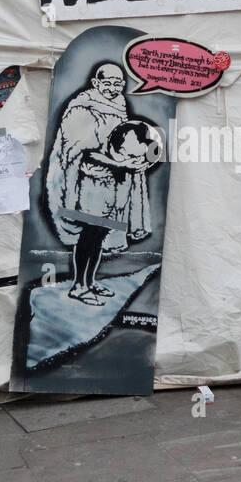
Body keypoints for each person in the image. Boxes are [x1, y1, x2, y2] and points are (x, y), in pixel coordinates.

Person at [44, 64, 159, 305]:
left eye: (118, 84)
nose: (113, 88)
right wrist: (122, 166)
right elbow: (82, 152)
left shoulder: (118, 106)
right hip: (89, 186)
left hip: (113, 187)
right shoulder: (82, 108)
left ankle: (90, 282)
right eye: (107, 83)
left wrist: (135, 160)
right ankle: (79, 286)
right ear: (96, 83)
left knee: (100, 235)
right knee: (89, 235)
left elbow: (121, 144)